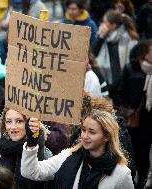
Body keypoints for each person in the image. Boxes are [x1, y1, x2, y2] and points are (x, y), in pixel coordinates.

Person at [21, 109, 134, 189]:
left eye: (92, 132)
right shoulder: (67, 156)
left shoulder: (121, 174)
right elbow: (30, 172)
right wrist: (31, 143)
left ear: (107, 136)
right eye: (83, 130)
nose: (84, 136)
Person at [120, 39, 152, 189]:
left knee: (144, 152)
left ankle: (143, 180)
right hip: (132, 118)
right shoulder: (130, 68)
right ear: (144, 54)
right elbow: (122, 91)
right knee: (131, 150)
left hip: (148, 119)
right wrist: (126, 109)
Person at [92, 9, 138, 107]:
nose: (102, 24)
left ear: (113, 25)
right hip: (108, 82)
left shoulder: (127, 38)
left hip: (123, 84)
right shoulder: (102, 36)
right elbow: (92, 54)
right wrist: (101, 37)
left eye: (105, 22)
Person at [0, 108, 47, 189]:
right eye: (9, 122)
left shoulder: (43, 151)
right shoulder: (3, 146)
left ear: (29, 124)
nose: (13, 127)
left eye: (19, 121)